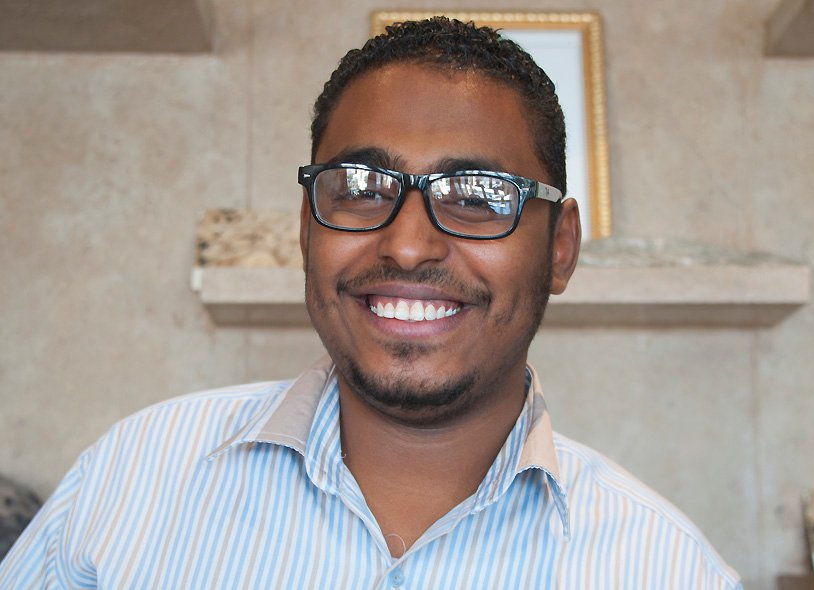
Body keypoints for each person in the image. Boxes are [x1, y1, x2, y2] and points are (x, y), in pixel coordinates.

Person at [0, 17, 742, 588]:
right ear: (305, 228)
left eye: (478, 196)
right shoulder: (128, 483)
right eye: (361, 188)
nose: (409, 246)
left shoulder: (667, 568)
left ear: (560, 248)